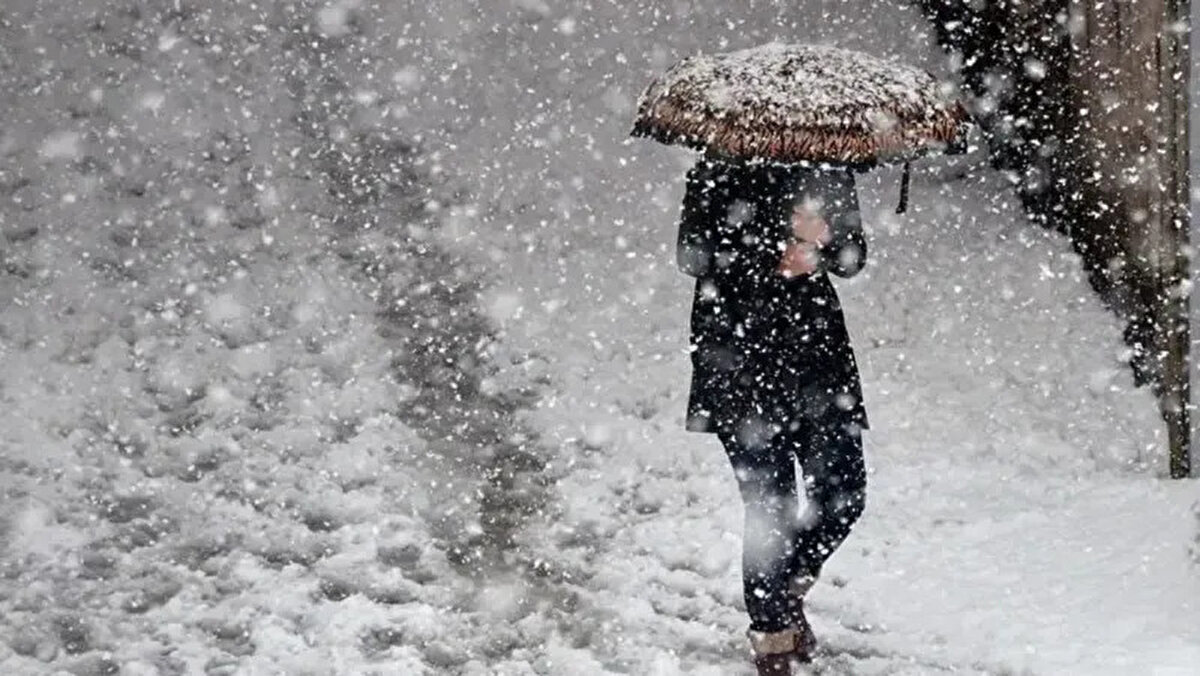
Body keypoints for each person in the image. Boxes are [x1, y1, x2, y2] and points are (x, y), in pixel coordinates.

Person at [676, 155, 869, 675]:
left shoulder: (827, 169)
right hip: (738, 358)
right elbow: (693, 256)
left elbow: (853, 258)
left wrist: (822, 242)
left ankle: (786, 587)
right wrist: (774, 248)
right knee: (771, 510)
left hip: (816, 360)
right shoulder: (716, 169)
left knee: (844, 493)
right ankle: (772, 640)